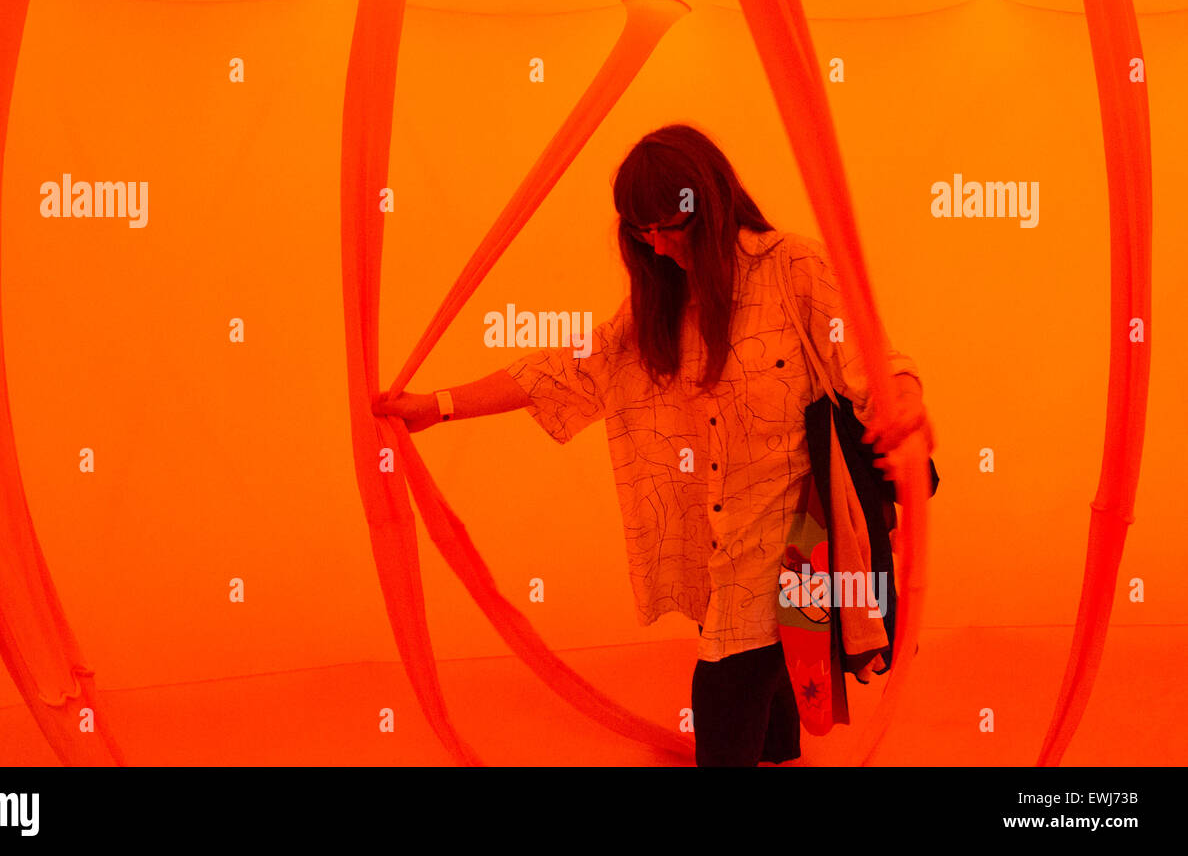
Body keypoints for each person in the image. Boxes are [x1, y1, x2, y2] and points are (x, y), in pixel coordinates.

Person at [372, 123, 934, 766]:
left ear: (714, 204)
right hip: (712, 536)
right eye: (644, 233)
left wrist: (907, 405)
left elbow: (873, 355)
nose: (661, 248)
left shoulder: (793, 267)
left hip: (793, 533)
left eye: (673, 226)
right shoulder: (659, 304)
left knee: (728, 681)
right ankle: (780, 753)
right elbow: (567, 370)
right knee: (766, 673)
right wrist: (437, 407)